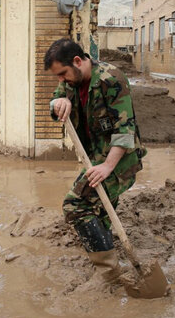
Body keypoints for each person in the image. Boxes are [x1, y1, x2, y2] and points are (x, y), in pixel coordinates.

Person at [44, 38, 146, 285]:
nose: (61, 81)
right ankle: (107, 250)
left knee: (75, 205)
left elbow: (125, 130)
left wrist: (108, 166)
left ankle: (111, 275)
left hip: (118, 160)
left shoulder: (111, 79)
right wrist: (58, 102)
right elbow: (57, 99)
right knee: (99, 210)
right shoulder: (72, 80)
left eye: (62, 74)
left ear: (78, 61)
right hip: (94, 157)